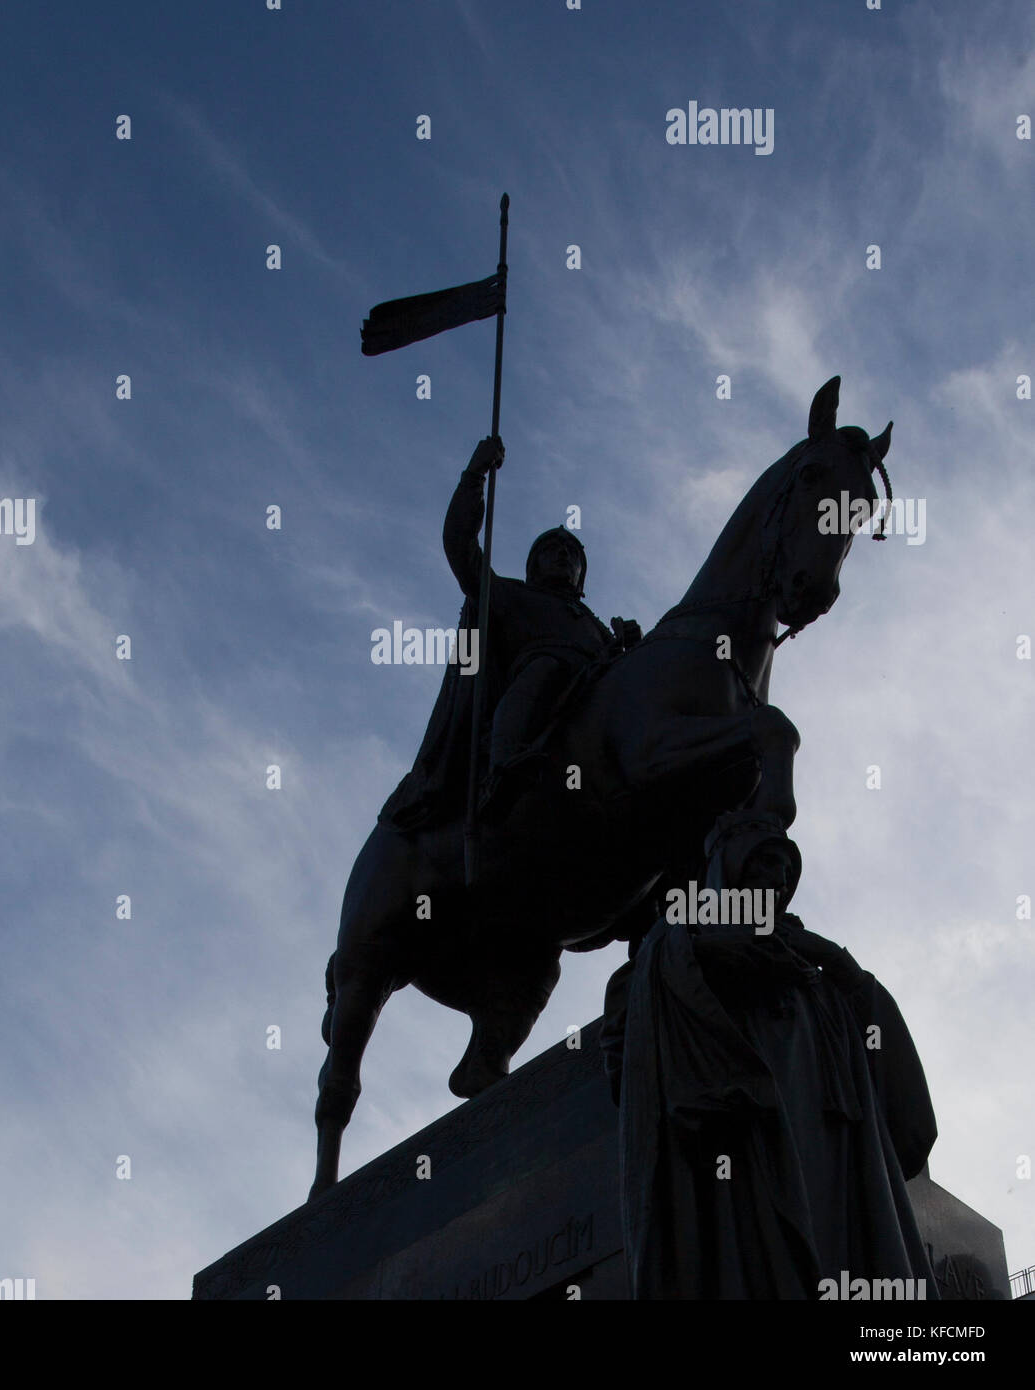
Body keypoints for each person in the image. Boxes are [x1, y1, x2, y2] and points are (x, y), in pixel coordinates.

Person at [600, 809, 938, 1299]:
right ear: (728, 872)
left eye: (787, 871)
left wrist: (840, 963)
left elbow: (887, 1073)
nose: (779, 880)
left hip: (833, 1149)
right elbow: (622, 1051)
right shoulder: (680, 947)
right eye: (764, 865)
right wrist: (706, 953)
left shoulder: (813, 967)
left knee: (837, 1252)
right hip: (743, 1144)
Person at [379, 436, 640, 833]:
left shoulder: (595, 627)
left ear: (581, 578)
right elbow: (459, 545)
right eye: (551, 549)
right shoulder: (509, 595)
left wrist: (632, 649)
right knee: (547, 667)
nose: (563, 554)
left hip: (587, 708)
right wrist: (474, 475)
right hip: (535, 692)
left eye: (571, 553)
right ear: (533, 566)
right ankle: (503, 768)